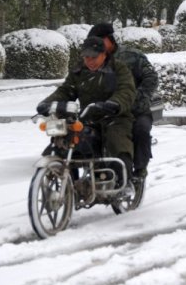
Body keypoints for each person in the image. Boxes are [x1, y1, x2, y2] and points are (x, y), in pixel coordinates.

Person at [36, 36, 137, 197]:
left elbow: (127, 90)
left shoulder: (118, 68)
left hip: (115, 116)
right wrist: (47, 103)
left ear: (104, 54)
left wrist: (114, 103)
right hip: (87, 117)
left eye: (94, 57)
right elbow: (65, 90)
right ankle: (69, 182)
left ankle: (125, 181)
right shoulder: (79, 71)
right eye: (86, 57)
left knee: (116, 139)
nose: (89, 61)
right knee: (65, 139)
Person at [87, 23, 159, 181]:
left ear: (110, 39)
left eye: (100, 40)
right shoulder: (93, 60)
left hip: (135, 110)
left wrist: (135, 98)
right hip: (105, 111)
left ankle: (139, 170)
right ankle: (94, 170)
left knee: (141, 130)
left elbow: (151, 78)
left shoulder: (132, 55)